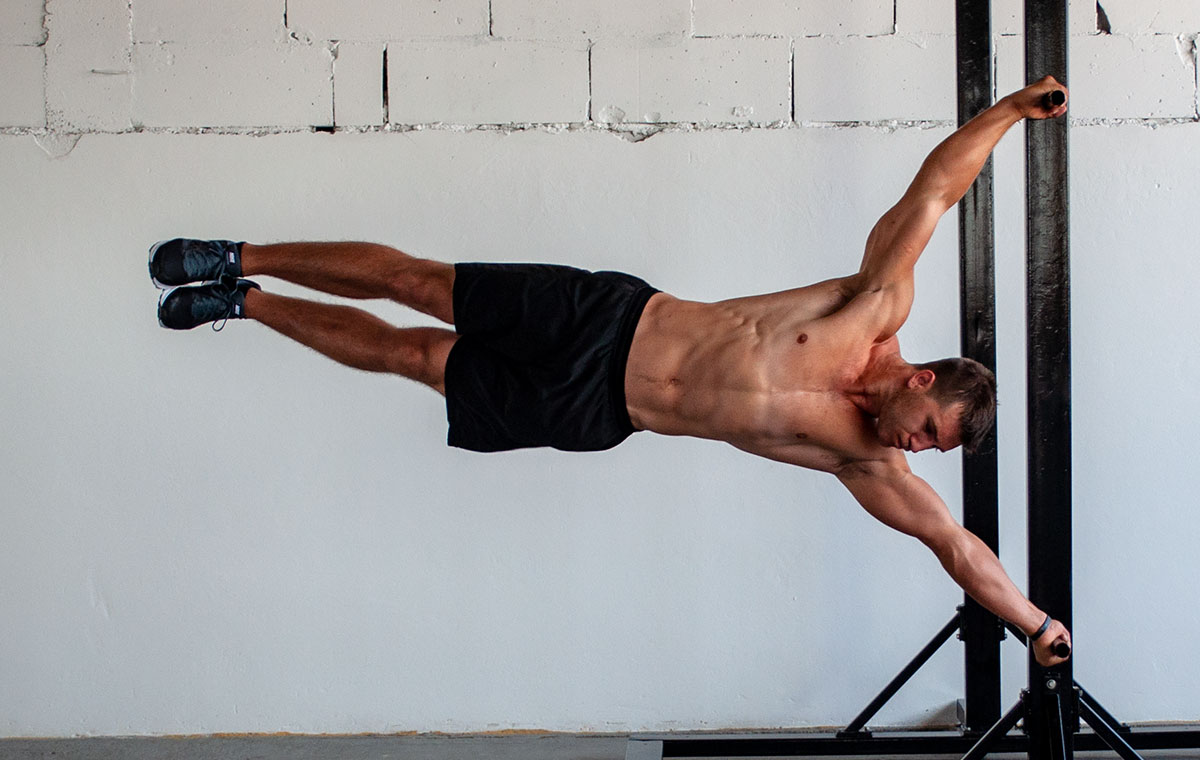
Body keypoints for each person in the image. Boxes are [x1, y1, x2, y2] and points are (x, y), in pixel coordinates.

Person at [151, 77, 1073, 667]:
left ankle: (247, 303)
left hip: (600, 407)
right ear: (923, 385)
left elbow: (957, 549)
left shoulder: (866, 465)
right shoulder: (870, 309)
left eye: (929, 451)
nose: (916, 450)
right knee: (418, 284)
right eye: (929, 434)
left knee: (415, 359)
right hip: (609, 316)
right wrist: (1006, 112)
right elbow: (933, 192)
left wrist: (1034, 624)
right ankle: (242, 253)